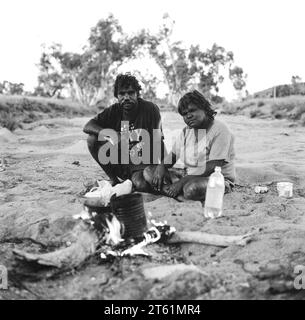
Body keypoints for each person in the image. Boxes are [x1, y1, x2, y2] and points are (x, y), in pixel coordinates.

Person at [143, 90, 235, 201]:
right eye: (185, 114)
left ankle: (174, 193)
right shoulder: (187, 131)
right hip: (187, 175)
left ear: (205, 108)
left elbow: (212, 166)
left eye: (192, 110)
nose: (188, 116)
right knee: (149, 172)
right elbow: (173, 155)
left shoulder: (220, 130)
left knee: (192, 189)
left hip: (215, 179)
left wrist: (181, 182)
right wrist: (162, 166)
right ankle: (176, 193)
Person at [83, 73, 165, 191]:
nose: (126, 97)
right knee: (92, 139)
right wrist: (112, 134)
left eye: (131, 93)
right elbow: (88, 126)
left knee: (142, 185)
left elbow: (158, 142)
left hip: (142, 162)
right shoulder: (114, 110)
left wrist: (162, 167)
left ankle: (133, 180)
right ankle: (114, 180)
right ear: (117, 96)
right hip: (122, 162)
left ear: (137, 94)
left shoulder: (150, 109)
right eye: (122, 94)